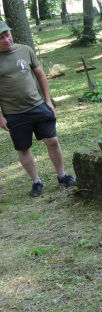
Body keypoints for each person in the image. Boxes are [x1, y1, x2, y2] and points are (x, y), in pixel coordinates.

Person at [0, 21, 76, 197]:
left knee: (52, 141)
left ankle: (62, 175)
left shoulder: (25, 50)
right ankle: (36, 182)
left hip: (38, 106)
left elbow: (41, 75)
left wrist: (48, 101)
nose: (6, 39)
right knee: (23, 149)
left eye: (7, 34)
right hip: (14, 113)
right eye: (2, 37)